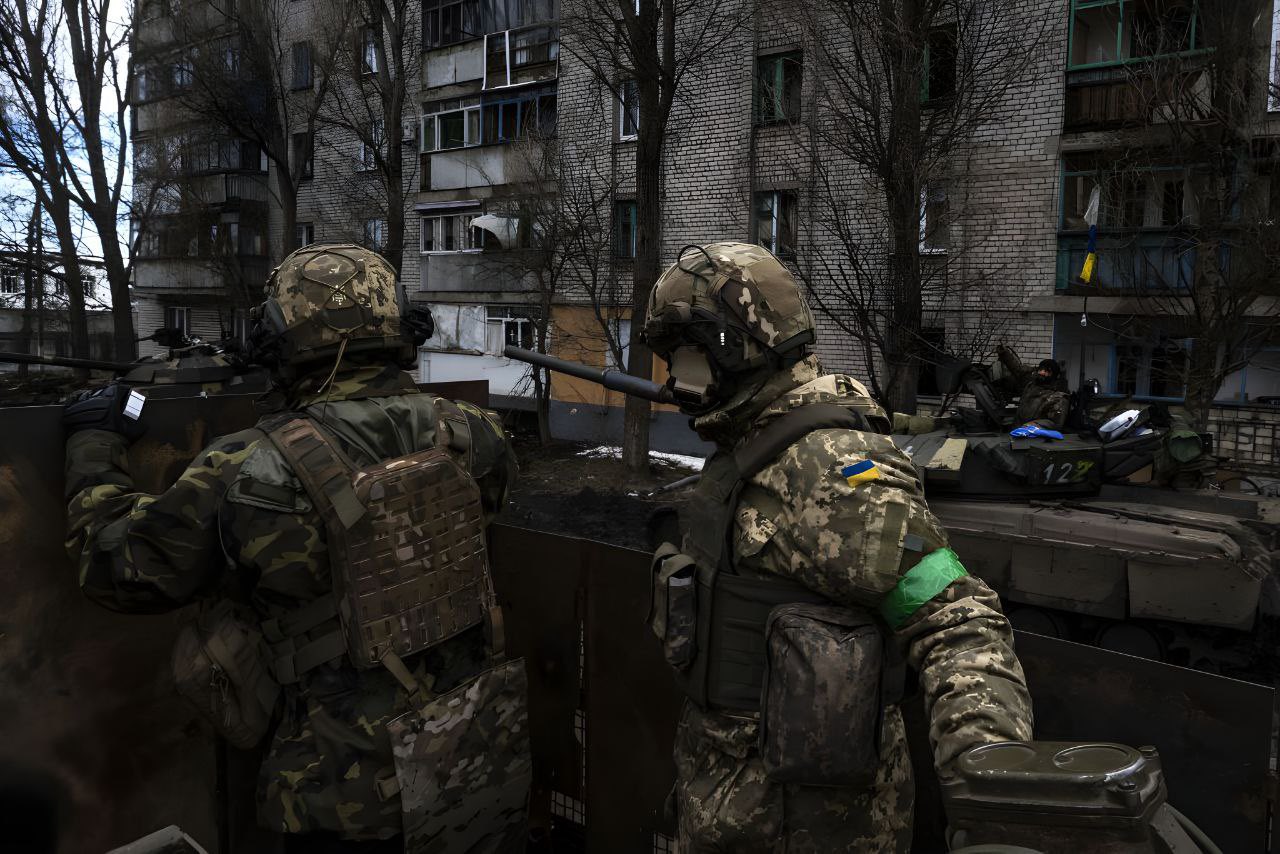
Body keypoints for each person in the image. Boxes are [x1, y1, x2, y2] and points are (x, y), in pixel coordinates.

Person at [63, 245, 522, 852]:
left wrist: (93, 446)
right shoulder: (473, 430)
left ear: (279, 335)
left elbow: (118, 567)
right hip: (472, 748)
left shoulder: (248, 466)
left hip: (340, 789)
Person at [642, 242, 1033, 852]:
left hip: (811, 826)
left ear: (737, 349)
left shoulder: (830, 466)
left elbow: (958, 622)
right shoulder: (755, 444)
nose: (675, 380)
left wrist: (992, 797)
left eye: (686, 357)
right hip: (739, 805)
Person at [995, 344, 1069, 429]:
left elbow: (1054, 423)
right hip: (1017, 432)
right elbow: (1018, 370)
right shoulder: (1031, 385)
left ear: (1054, 375)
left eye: (1047, 371)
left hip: (1034, 435)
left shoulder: (1058, 398)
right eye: (1041, 369)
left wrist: (1030, 426)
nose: (1042, 372)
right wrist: (1004, 354)